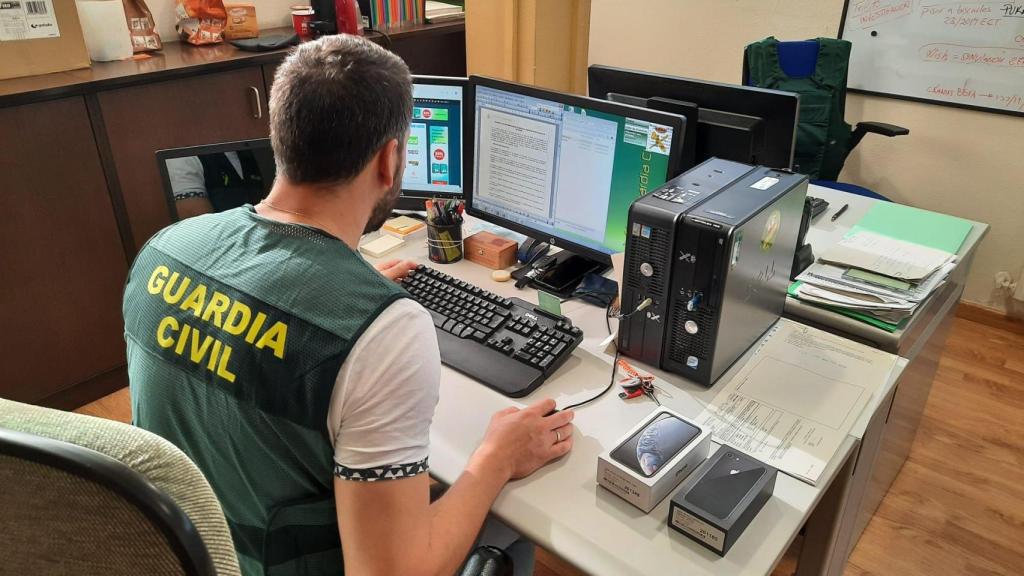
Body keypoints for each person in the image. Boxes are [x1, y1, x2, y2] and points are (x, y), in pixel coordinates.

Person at [122, 34, 575, 576]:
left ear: (281, 137)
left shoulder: (164, 251)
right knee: (506, 523)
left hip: (193, 554)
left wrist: (344, 297)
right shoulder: (381, 330)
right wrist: (496, 458)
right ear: (390, 159)